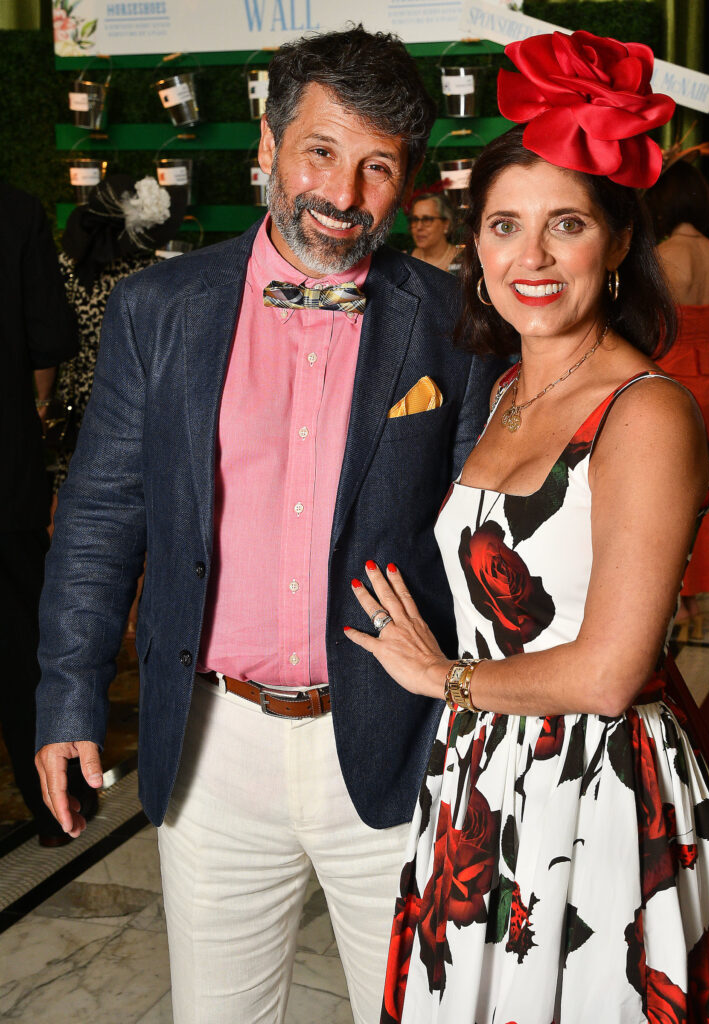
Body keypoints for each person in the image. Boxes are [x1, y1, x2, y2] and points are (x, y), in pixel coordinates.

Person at [34, 26, 502, 1024]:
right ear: (267, 143)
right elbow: (101, 515)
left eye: (377, 166)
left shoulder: (456, 323)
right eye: (319, 151)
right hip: (213, 745)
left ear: (408, 181)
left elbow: (484, 537)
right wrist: (69, 696)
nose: (342, 192)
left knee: (423, 1011)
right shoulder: (157, 309)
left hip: (395, 736)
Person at [342, 32, 709, 1024]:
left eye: (566, 225)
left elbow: (607, 672)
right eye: (504, 225)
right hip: (481, 777)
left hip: (591, 786)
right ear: (476, 244)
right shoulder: (504, 391)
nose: (530, 257)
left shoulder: (644, 411)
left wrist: (440, 678)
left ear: (618, 242)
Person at [0, 182, 83, 846]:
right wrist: (31, 408)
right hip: (5, 467)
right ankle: (58, 809)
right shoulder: (16, 209)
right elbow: (49, 339)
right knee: (20, 642)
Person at [644, 160, 709, 639]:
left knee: (668, 488)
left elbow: (646, 327)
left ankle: (679, 601)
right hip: (707, 379)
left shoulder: (664, 255)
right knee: (701, 485)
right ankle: (694, 598)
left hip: (670, 377)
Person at [52, 173, 186, 491]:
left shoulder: (68, 266)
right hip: (137, 396)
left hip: (76, 395)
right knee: (134, 489)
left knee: (74, 487)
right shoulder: (151, 275)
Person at [407, 191, 459, 273]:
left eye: (427, 219)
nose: (419, 227)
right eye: (415, 219)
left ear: (446, 224)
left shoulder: (463, 259)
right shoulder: (405, 260)